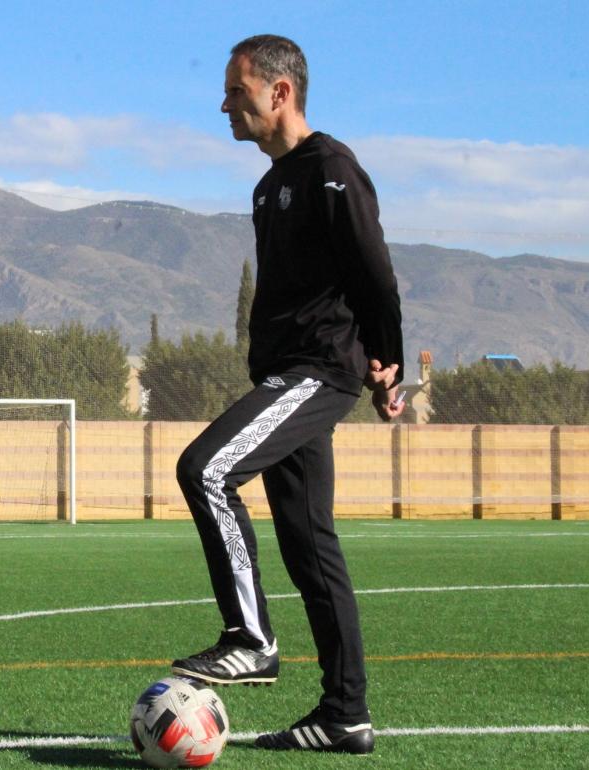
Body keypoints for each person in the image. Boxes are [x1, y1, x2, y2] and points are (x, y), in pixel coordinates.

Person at [170, 34, 404, 755]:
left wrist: (388, 362)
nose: (224, 104)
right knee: (310, 548)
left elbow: (375, 274)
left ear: (280, 92)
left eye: (236, 91)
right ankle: (345, 715)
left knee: (205, 469)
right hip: (285, 375)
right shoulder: (270, 186)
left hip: (317, 373)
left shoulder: (333, 170)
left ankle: (250, 636)